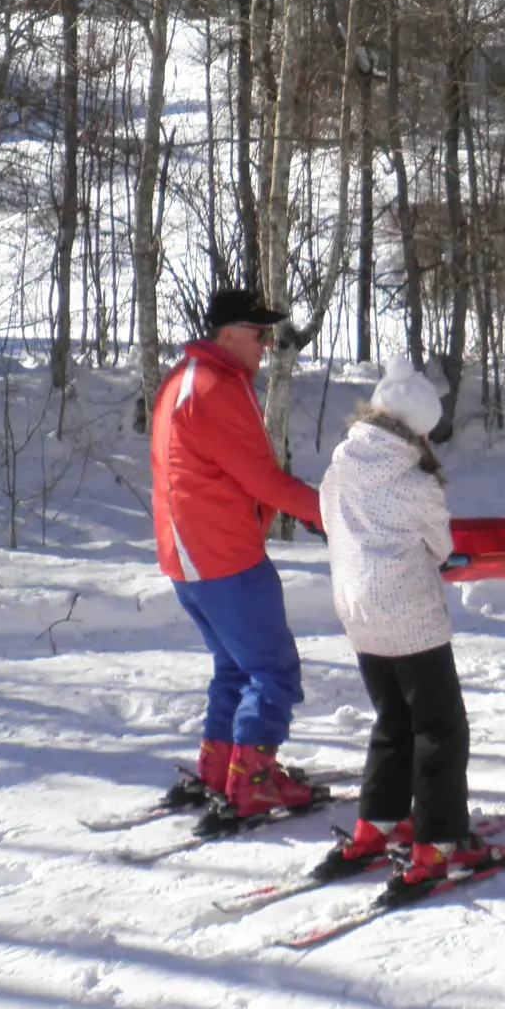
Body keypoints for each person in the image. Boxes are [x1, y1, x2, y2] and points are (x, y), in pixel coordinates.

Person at [314, 356, 503, 902]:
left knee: (392, 719)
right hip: (408, 614)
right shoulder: (413, 478)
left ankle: (378, 824)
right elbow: (443, 548)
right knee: (440, 728)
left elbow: (330, 522)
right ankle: (441, 842)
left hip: (357, 610)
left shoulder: (340, 464)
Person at [150, 288, 326, 817]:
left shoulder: (188, 379)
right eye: (258, 333)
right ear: (227, 333)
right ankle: (252, 779)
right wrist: (329, 512)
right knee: (272, 671)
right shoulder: (213, 388)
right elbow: (261, 478)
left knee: (234, 666)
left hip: (192, 557)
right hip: (221, 557)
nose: (267, 344)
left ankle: (218, 763)